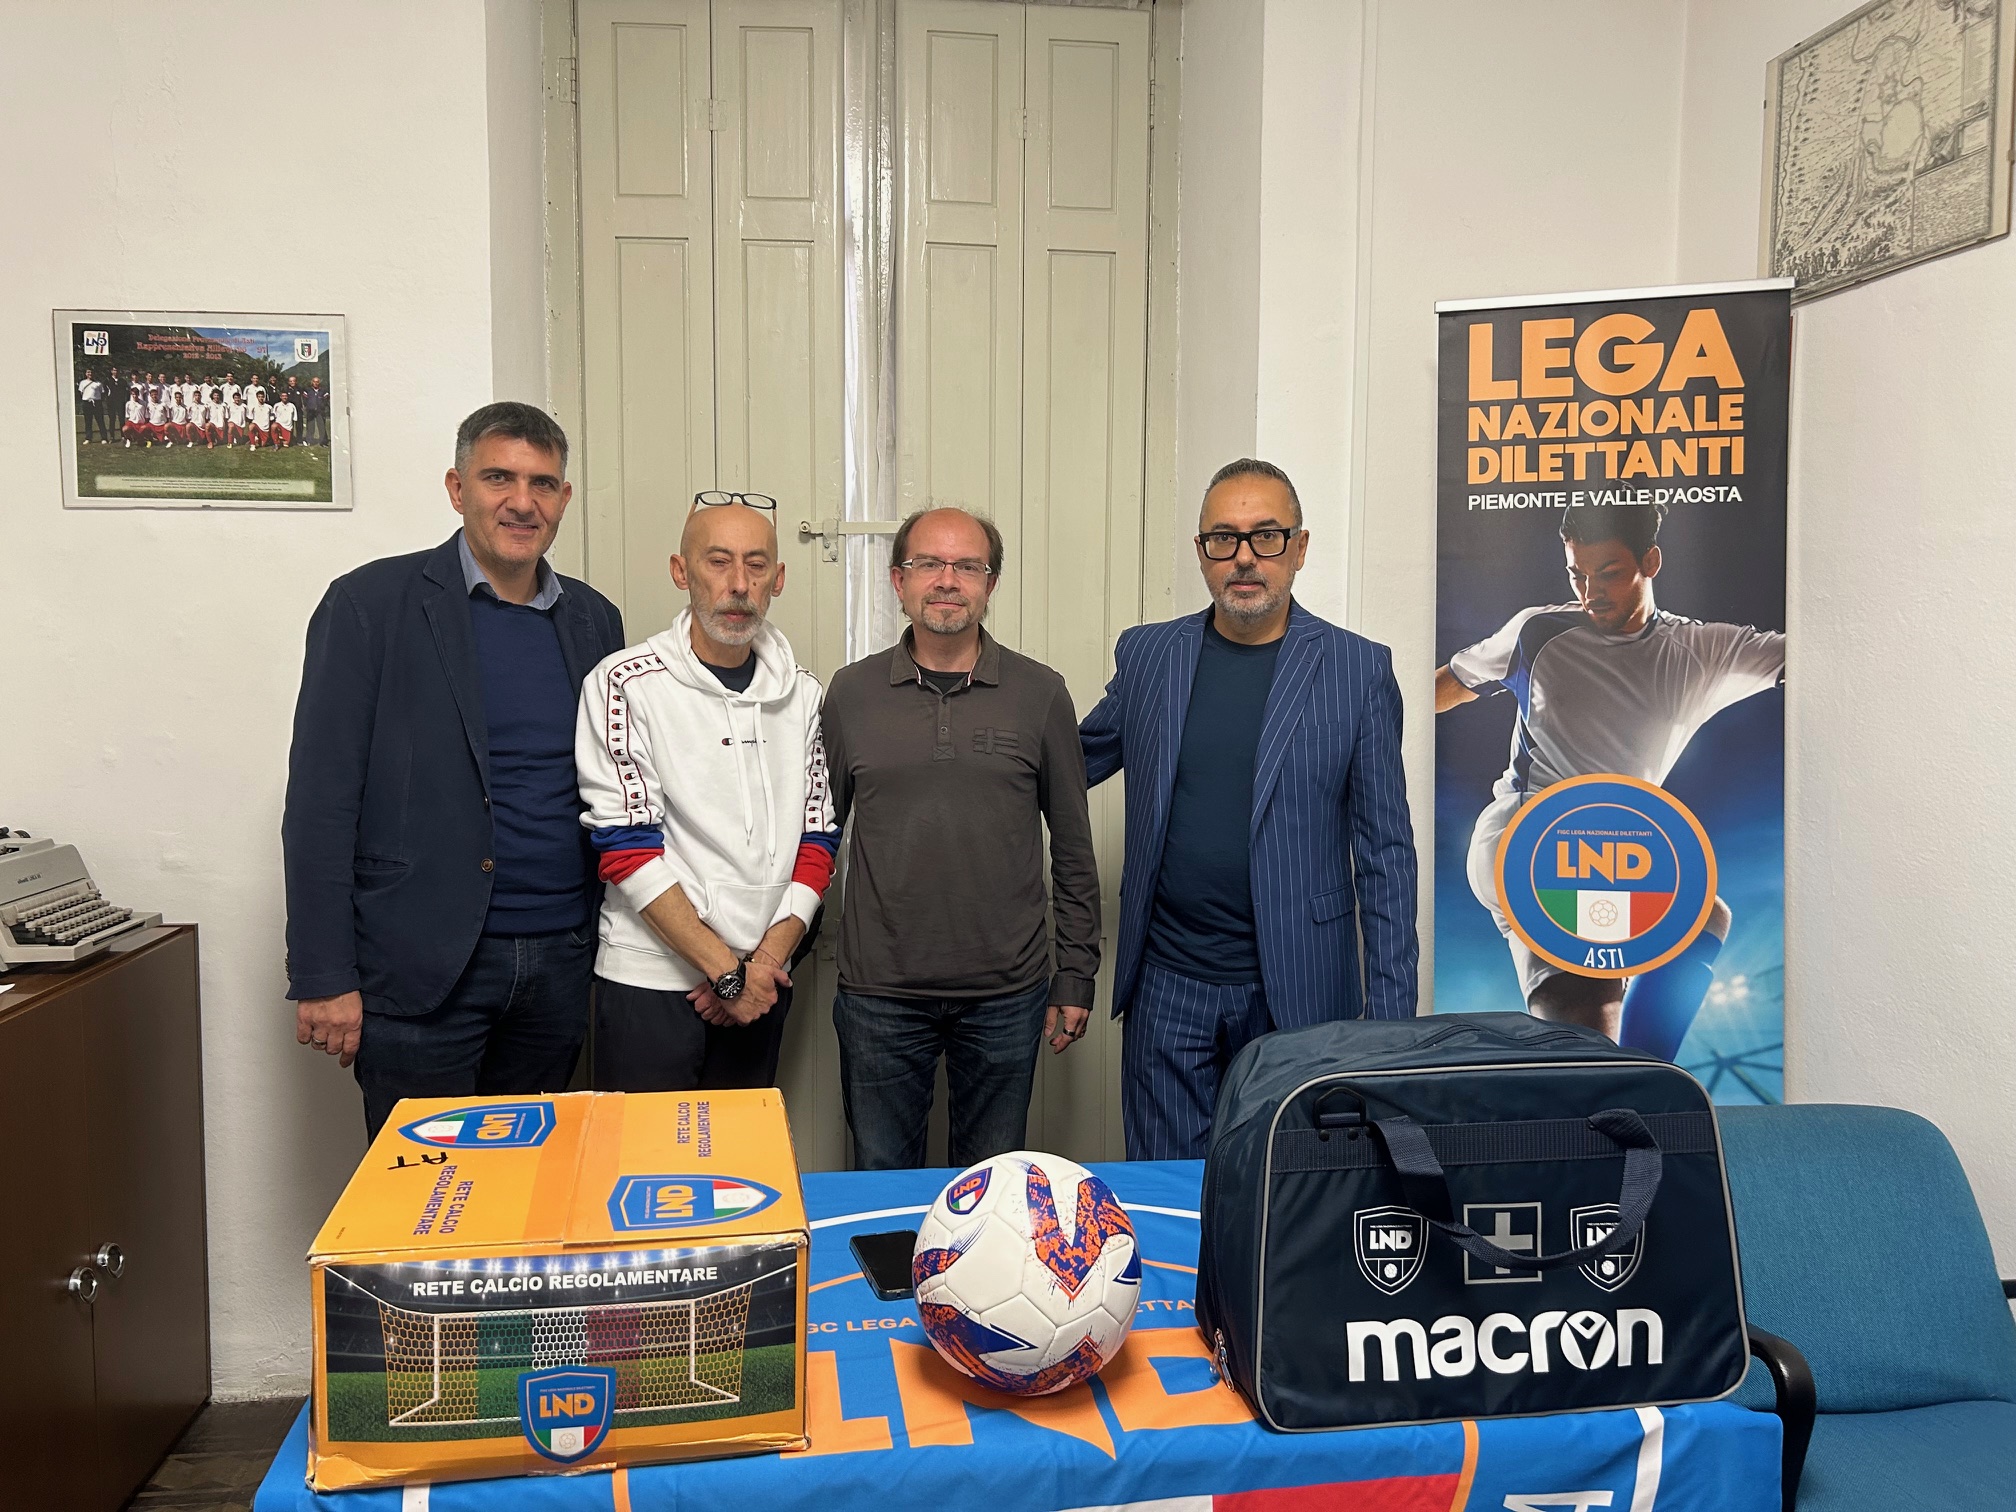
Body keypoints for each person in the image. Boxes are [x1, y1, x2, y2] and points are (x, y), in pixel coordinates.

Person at [284, 401, 625, 1138]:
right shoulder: (370, 605)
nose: (522, 502)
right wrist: (323, 974)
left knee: (531, 1185)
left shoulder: (595, 620)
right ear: (456, 487)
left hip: (560, 963)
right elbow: (320, 800)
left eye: (542, 483)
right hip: (421, 968)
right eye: (499, 478)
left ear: (564, 498)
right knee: (424, 1193)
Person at [1080, 458, 1419, 1159]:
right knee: (1171, 1192)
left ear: (1299, 547)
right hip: (1167, 989)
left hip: (1298, 990)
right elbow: (1070, 764)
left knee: (1292, 1189)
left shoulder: (1357, 670)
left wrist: (1389, 1028)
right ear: (1201, 550)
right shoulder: (1149, 656)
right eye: (1223, 538)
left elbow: (1386, 855)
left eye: (1266, 536)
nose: (1243, 557)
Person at [1435, 502, 1783, 1057]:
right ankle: (1621, 1086)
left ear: (1651, 561)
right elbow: (1450, 683)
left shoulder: (1703, 651)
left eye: (1609, 573)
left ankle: (1637, 1081)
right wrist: (1362, 724)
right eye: (1577, 574)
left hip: (1616, 849)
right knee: (1592, 1024)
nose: (1590, 591)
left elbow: (1813, 659)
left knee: (1700, 920)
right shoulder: (1538, 631)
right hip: (1530, 836)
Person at [820, 506, 1099, 1170]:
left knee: (992, 1189)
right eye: (929, 564)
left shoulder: (1040, 693)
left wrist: (1075, 974)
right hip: (880, 993)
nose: (947, 581)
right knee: (883, 1187)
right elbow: (817, 836)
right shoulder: (852, 694)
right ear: (899, 580)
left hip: (1007, 993)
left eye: (967, 566)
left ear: (989, 583)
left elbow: (1072, 844)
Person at [576, 496, 837, 1091]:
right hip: (649, 983)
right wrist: (725, 973)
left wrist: (759, 968)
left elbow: (819, 837)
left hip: (762, 984)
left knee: (741, 1152)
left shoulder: (804, 695)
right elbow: (625, 849)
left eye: (756, 564)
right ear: (681, 571)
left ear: (778, 579)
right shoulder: (625, 684)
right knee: (646, 1152)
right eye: (718, 561)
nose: (739, 584)